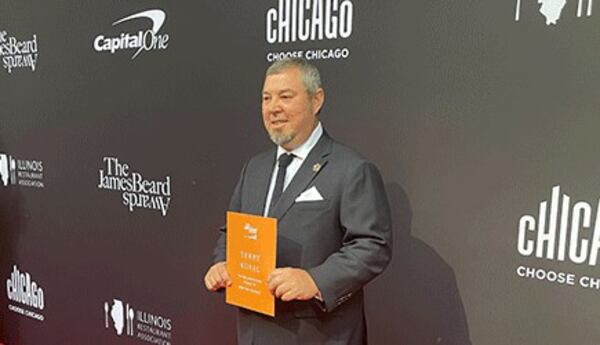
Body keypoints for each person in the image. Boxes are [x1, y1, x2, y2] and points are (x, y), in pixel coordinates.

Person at [204, 57, 392, 345]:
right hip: (255, 331)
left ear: (316, 100)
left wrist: (315, 280)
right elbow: (232, 230)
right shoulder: (253, 168)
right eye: (266, 98)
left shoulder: (351, 169)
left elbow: (372, 246)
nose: (273, 107)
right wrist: (222, 262)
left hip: (319, 335)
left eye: (285, 96)